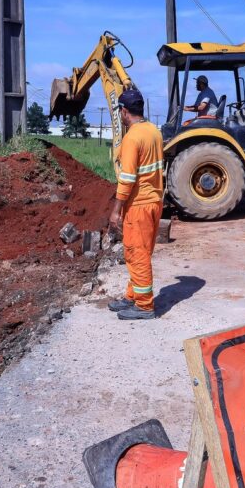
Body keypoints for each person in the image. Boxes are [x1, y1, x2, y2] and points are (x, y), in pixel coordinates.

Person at [108, 88, 164, 321]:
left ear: (124, 111)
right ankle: (133, 295)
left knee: (136, 253)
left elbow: (128, 178)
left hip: (138, 205)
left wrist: (116, 210)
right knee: (141, 252)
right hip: (154, 201)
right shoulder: (154, 131)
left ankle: (144, 305)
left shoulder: (132, 137)